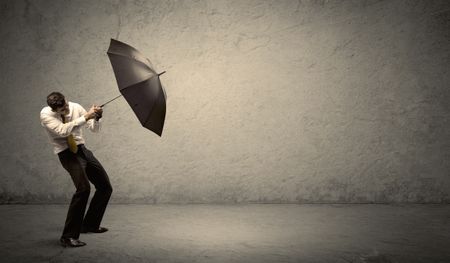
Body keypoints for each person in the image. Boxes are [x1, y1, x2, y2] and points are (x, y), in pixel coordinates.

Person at [40, 92, 113, 248]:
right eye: (62, 109)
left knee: (105, 186)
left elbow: (94, 129)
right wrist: (86, 116)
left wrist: (97, 117)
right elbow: (63, 131)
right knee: (83, 189)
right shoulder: (46, 114)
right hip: (66, 153)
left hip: (82, 149)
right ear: (54, 110)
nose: (66, 109)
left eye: (66, 104)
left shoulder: (75, 107)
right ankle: (68, 237)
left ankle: (90, 225)